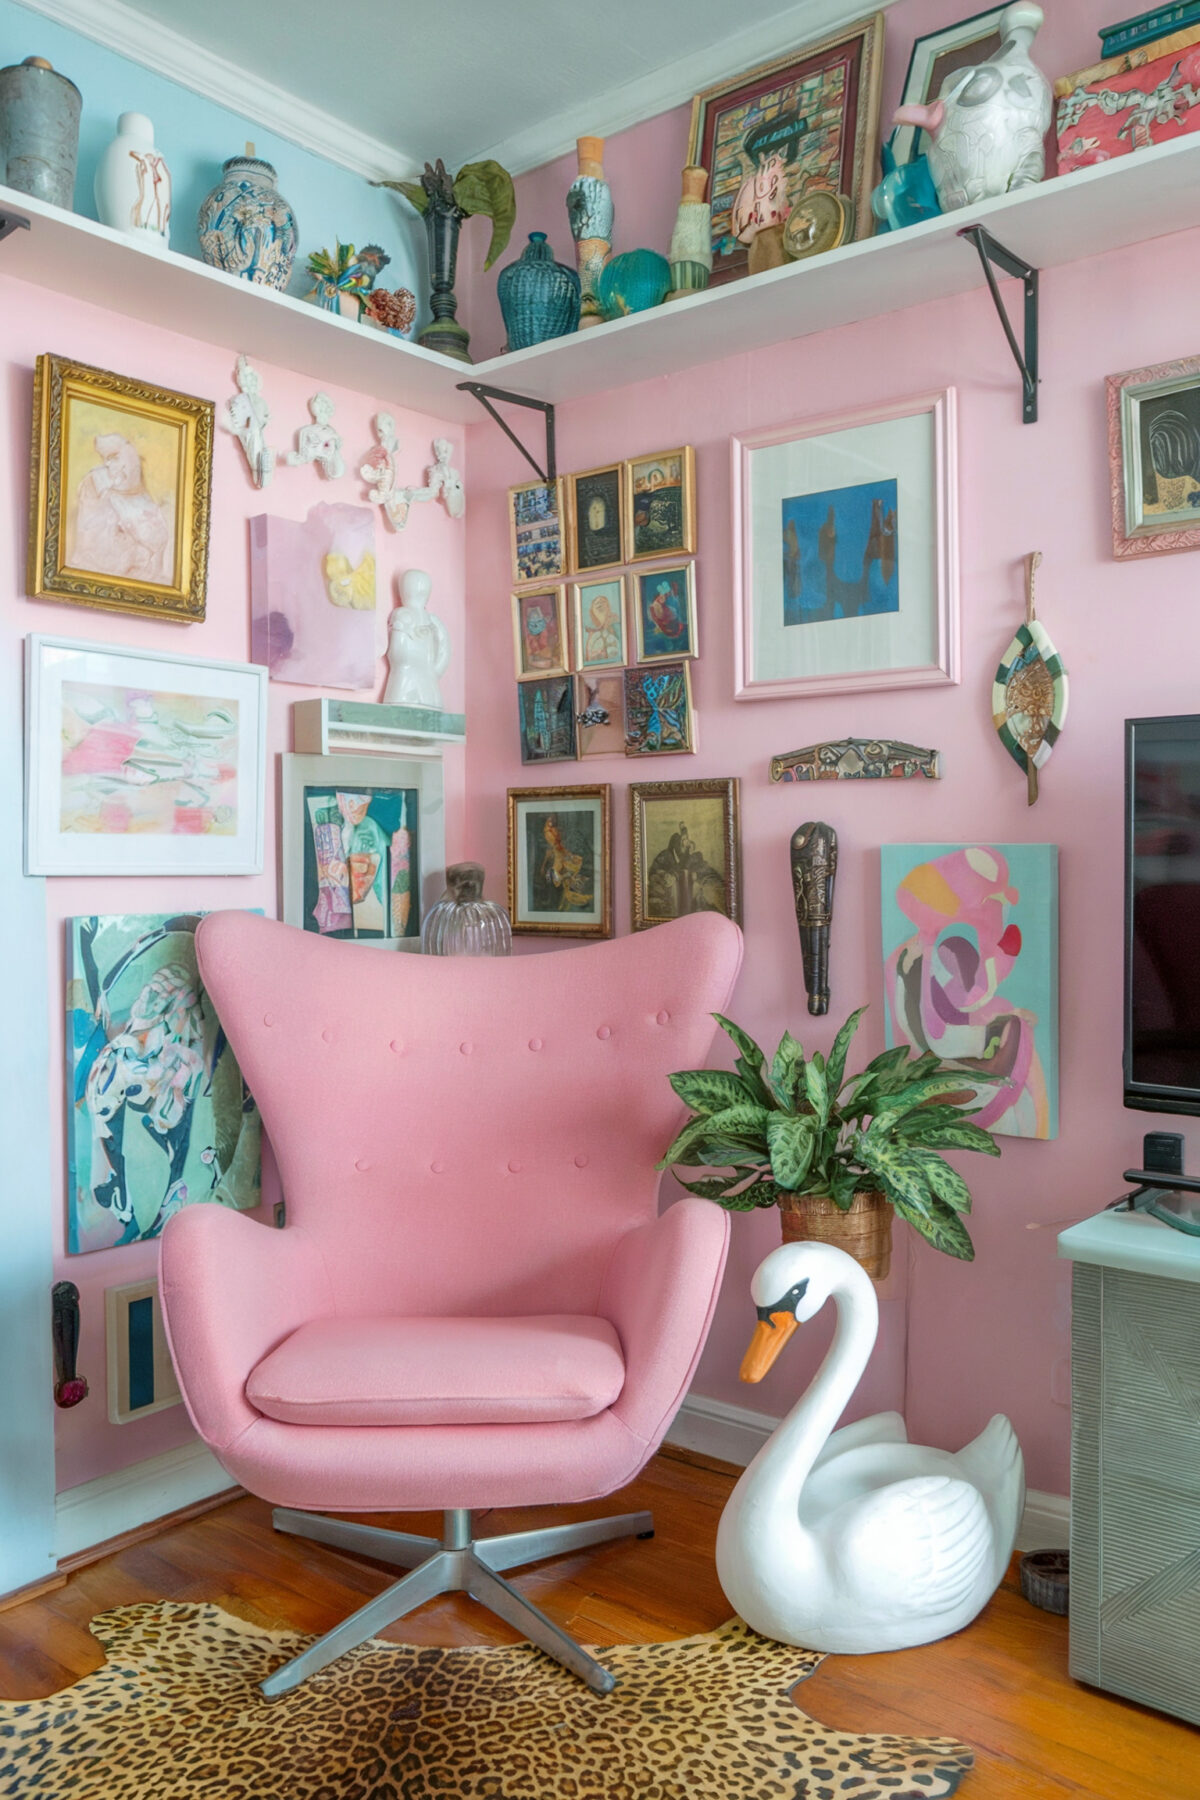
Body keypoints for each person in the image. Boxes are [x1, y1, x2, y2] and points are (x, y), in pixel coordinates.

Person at [69, 433, 174, 584]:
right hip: (107, 554)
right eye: (106, 459)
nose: (107, 464)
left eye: (112, 458)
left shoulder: (133, 468)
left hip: (130, 505)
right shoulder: (96, 480)